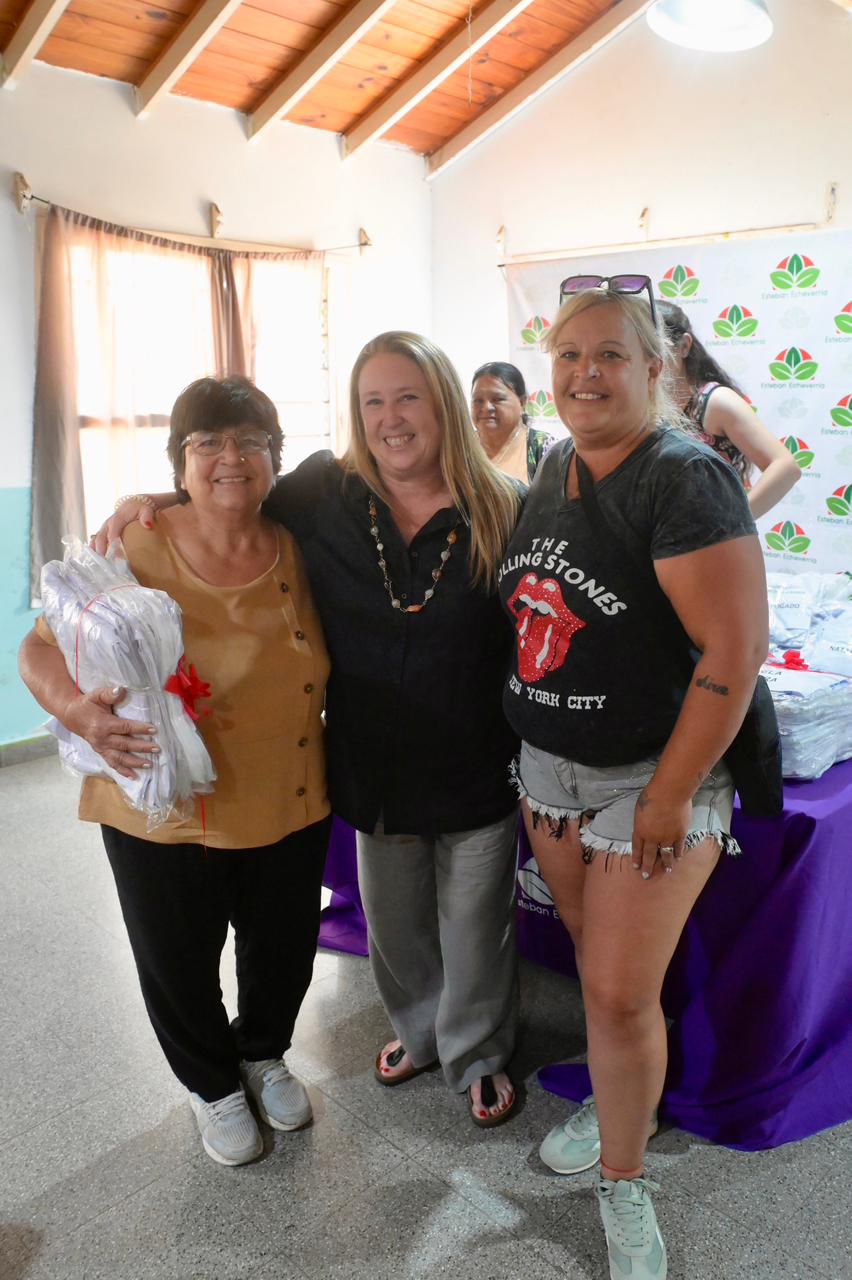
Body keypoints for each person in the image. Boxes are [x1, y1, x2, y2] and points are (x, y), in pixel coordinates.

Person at [95, 333, 523, 1127]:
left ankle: (476, 1054)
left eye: (409, 397)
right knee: (394, 929)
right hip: (370, 763)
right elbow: (230, 488)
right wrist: (148, 499)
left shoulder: (504, 505)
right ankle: (419, 1034)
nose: (391, 418)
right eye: (373, 401)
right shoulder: (329, 490)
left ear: (443, 405)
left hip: (474, 757)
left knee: (475, 927)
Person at [498, 284, 767, 1280]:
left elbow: (734, 653)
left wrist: (667, 794)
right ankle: (632, 1106)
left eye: (609, 354)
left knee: (615, 995)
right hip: (549, 771)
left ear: (654, 369)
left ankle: (624, 1176)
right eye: (568, 356)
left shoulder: (685, 476)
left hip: (650, 777)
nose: (585, 373)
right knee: (598, 970)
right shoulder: (554, 463)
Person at [20, 376, 332, 1167]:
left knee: (282, 947)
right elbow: (38, 650)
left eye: (251, 442)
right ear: (180, 460)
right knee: (177, 956)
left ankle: (262, 1055)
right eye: (207, 443)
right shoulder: (134, 547)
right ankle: (212, 1085)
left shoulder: (296, 542)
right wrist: (80, 712)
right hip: (162, 806)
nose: (232, 458)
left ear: (274, 458)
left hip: (286, 793)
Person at [660, 301, 800, 517]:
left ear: (684, 346)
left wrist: (733, 524)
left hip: (711, 535)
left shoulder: (715, 401)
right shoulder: (644, 405)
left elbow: (785, 467)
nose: (647, 360)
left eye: (655, 349)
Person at [471, 361, 558, 483]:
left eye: (497, 399)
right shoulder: (460, 447)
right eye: (478, 400)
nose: (486, 407)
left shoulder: (545, 448)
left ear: (522, 403)